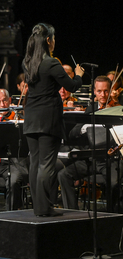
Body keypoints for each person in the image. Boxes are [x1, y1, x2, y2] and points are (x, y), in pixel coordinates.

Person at [22, 23, 84, 217]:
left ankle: (38, 207)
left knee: (35, 163)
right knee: (46, 164)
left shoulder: (29, 61)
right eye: (54, 38)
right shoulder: (51, 63)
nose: (55, 42)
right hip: (47, 119)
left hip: (31, 118)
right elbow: (72, 86)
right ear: (48, 40)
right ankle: (43, 207)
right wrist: (80, 75)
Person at [58, 76, 120, 210]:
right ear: (94, 92)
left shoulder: (118, 110)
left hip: (110, 160)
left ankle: (111, 214)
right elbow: (72, 134)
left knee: (114, 183)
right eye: (99, 91)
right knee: (63, 175)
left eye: (106, 91)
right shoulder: (91, 109)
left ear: (111, 91)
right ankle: (72, 213)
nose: (103, 95)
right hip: (91, 159)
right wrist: (84, 127)